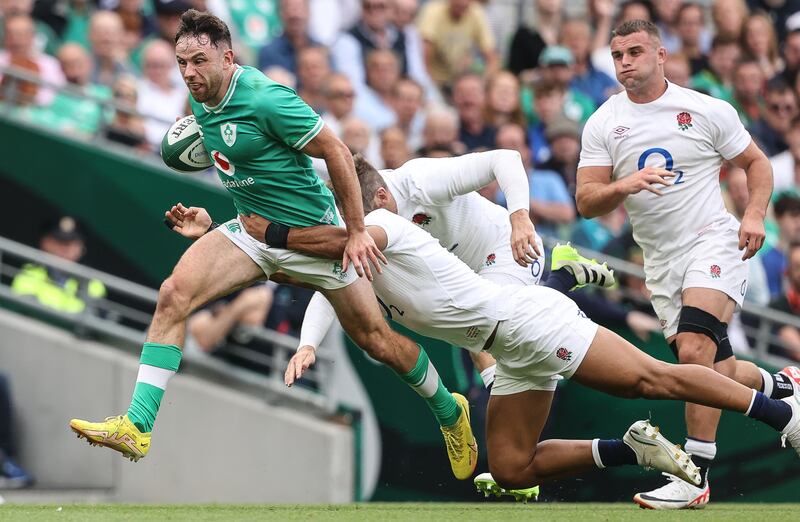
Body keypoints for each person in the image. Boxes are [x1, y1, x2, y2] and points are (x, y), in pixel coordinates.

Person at [68, 9, 478, 482]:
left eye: (198, 61)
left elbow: (338, 152)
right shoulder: (200, 97)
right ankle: (137, 426)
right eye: (182, 63)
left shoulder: (266, 98)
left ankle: (449, 409)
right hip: (252, 232)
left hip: (316, 235)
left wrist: (357, 230)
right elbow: (244, 167)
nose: (188, 73)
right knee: (173, 294)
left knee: (378, 341)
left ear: (227, 57)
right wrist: (211, 224)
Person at [235, 157, 800, 497]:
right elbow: (336, 280)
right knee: (509, 467)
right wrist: (308, 342)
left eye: (346, 210)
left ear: (373, 202)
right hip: (504, 339)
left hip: (524, 320)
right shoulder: (360, 245)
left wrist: (269, 232)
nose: (344, 220)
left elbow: (329, 249)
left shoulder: (382, 225)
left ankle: (785, 416)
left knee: (655, 379)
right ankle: (633, 449)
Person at [575, 19, 796, 509]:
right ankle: (778, 383)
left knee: (694, 350)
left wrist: (754, 215)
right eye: (617, 55)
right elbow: (587, 201)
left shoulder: (704, 109)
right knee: (712, 367)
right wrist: (623, 186)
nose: (625, 62)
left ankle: (695, 475)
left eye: (635, 51)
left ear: (661, 55)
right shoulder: (603, 122)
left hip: (713, 241)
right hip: (660, 263)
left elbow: (757, 165)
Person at [11, 216, 106, 314]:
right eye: (59, 241)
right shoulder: (30, 272)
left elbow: (96, 320)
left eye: (70, 243)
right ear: (45, 242)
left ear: (81, 248)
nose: (64, 249)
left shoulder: (93, 284)